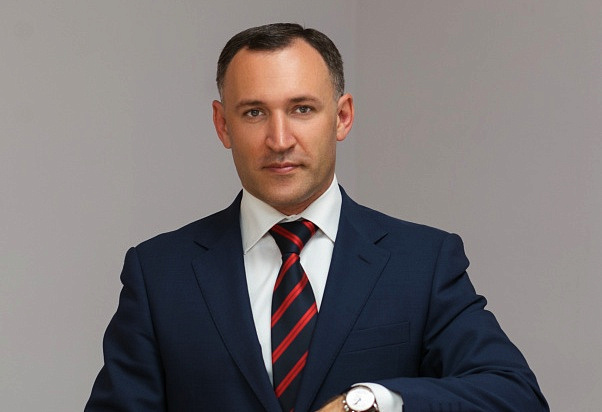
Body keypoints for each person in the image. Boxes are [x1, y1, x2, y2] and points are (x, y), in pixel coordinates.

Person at [85, 23, 548, 412]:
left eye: (302, 109)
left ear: (342, 117)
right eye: (254, 112)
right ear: (223, 125)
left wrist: (372, 402)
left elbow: (516, 396)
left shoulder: (423, 263)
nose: (279, 139)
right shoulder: (159, 274)